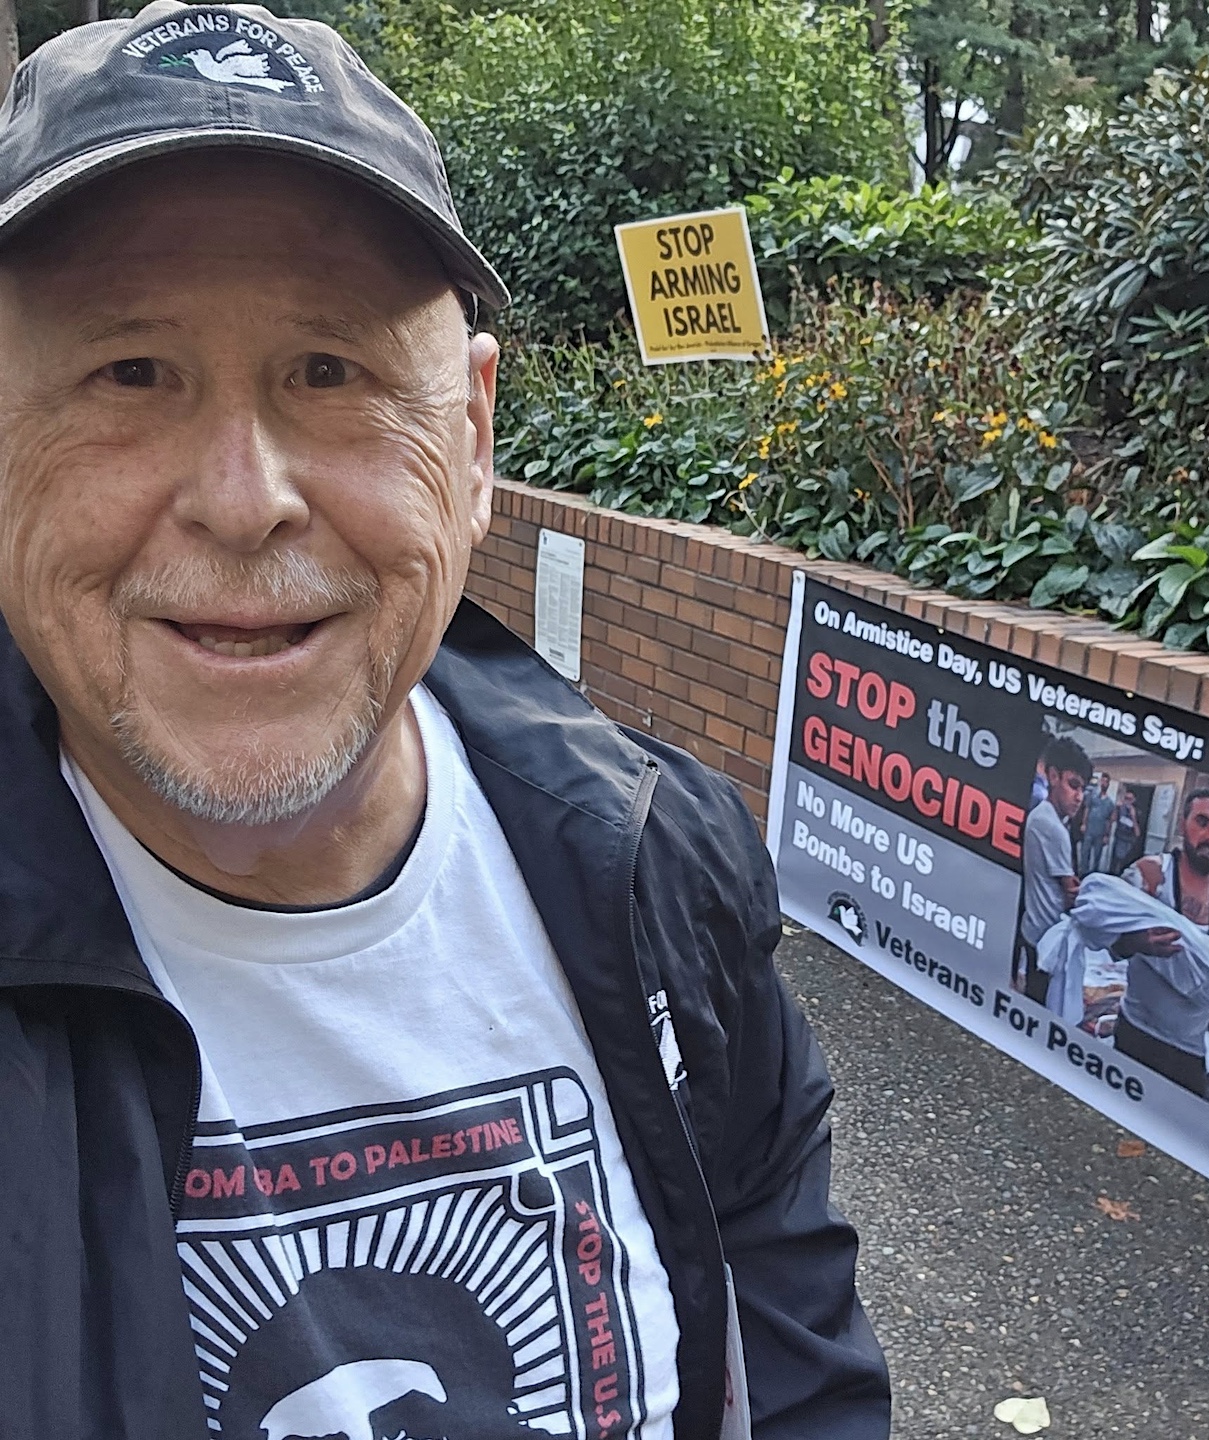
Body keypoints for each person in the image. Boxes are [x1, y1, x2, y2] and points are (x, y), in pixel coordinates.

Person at [0, 8, 888, 1435]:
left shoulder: (662, 871)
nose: (244, 501)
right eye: (131, 373)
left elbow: (795, 1380)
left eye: (330, 370)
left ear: (471, 443)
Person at [1110, 789, 1209, 1094]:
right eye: (1202, 822)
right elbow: (1112, 944)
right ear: (1183, 824)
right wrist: (1138, 942)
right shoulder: (1151, 875)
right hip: (1137, 1034)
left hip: (1188, 1052)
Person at [1019, 736, 1092, 1000]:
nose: (1079, 797)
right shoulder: (1051, 826)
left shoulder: (1045, 816)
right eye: (1073, 785)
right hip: (1045, 938)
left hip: (1036, 930)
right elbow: (1071, 892)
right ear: (1052, 776)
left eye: (1083, 789)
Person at [1077, 771, 1116, 876]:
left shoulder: (1110, 803)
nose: (1104, 783)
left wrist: (1107, 835)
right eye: (1102, 781)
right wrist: (1084, 824)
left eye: (1106, 782)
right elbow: (1087, 810)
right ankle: (1082, 874)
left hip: (1100, 832)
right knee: (1085, 852)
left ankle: (1094, 875)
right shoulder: (1093, 797)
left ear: (1108, 784)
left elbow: (1110, 821)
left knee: (1097, 855)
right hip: (1089, 829)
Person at [1109, 786, 1141, 874]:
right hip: (1119, 838)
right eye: (1126, 798)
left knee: (1125, 863)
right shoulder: (1121, 808)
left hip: (1129, 841)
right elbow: (1112, 819)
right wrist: (1116, 808)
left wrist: (1133, 817)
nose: (1127, 801)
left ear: (1134, 800)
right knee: (1116, 861)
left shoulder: (1137, 811)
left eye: (1130, 799)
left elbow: (1138, 833)